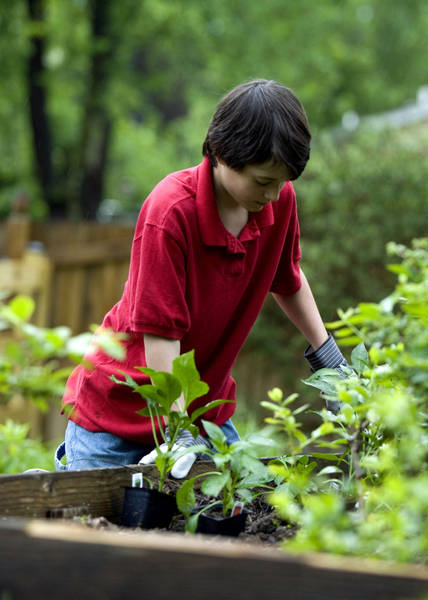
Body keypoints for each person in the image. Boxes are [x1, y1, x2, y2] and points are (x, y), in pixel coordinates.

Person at [55, 79, 347, 476]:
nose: (275, 194)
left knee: (240, 513)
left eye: (283, 182)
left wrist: (332, 365)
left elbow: (288, 277)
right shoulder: (171, 211)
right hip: (117, 417)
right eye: (263, 181)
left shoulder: (277, 202)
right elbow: (161, 335)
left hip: (202, 414)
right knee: (95, 526)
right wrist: (178, 435)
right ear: (223, 154)